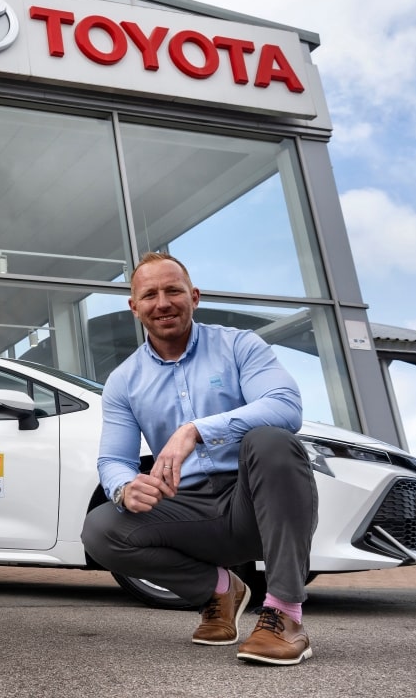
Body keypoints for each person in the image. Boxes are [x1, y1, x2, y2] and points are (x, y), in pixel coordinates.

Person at [81, 252, 318, 666]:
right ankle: (220, 590)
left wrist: (196, 430)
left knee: (271, 441)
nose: (163, 303)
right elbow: (113, 460)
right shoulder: (123, 381)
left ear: (194, 296)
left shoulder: (239, 345)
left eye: (173, 291)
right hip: (189, 510)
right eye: (149, 295)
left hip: (254, 502)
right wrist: (125, 487)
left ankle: (285, 616)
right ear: (134, 307)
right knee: (101, 528)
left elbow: (285, 405)